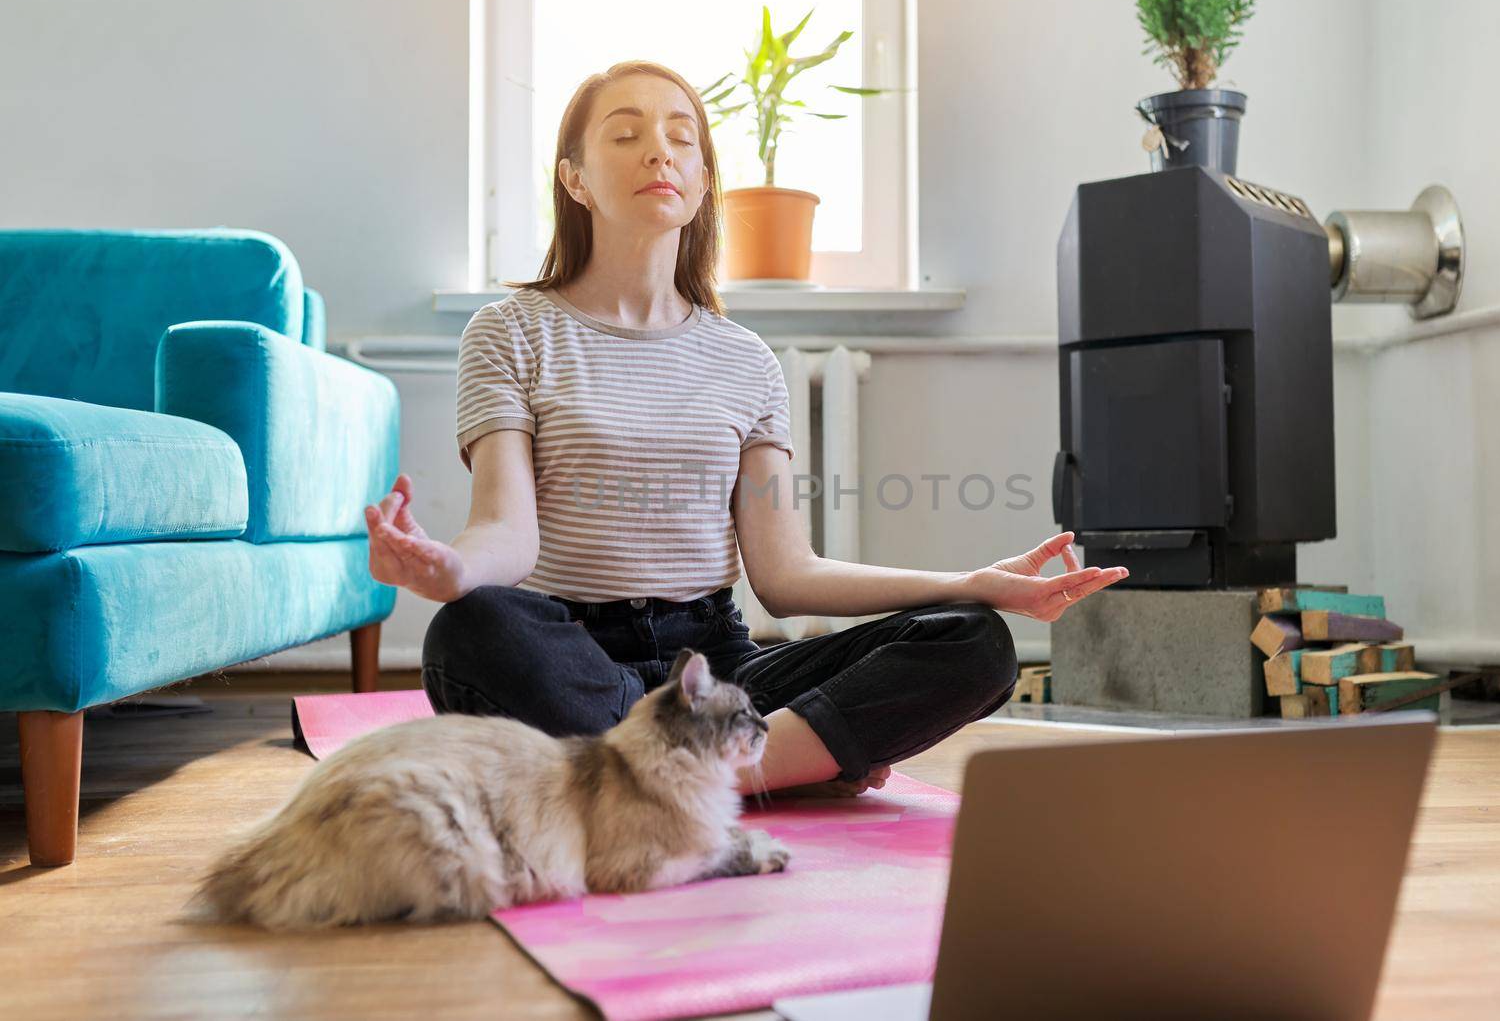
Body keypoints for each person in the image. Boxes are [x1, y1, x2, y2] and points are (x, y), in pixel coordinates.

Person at [364, 60, 1128, 798]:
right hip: (576, 655)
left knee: (974, 639)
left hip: (718, 667)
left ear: (700, 184)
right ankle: (774, 763)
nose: (659, 149)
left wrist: (970, 583)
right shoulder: (508, 332)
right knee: (470, 631)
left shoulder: (745, 359)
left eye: (681, 137)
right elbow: (508, 531)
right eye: (626, 134)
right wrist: (449, 571)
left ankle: (692, 773)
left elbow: (785, 574)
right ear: (574, 178)